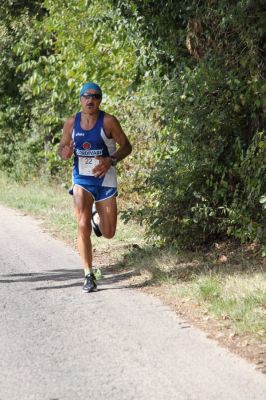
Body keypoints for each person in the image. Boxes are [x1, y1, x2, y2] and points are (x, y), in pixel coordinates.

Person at [58, 82, 132, 292]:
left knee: (109, 233)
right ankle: (88, 275)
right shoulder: (72, 123)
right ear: (80, 99)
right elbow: (62, 147)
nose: (90, 100)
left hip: (105, 178)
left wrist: (111, 160)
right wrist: (63, 152)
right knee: (82, 226)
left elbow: (127, 146)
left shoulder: (108, 121)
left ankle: (96, 217)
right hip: (81, 179)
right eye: (86, 96)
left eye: (95, 97)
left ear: (100, 100)